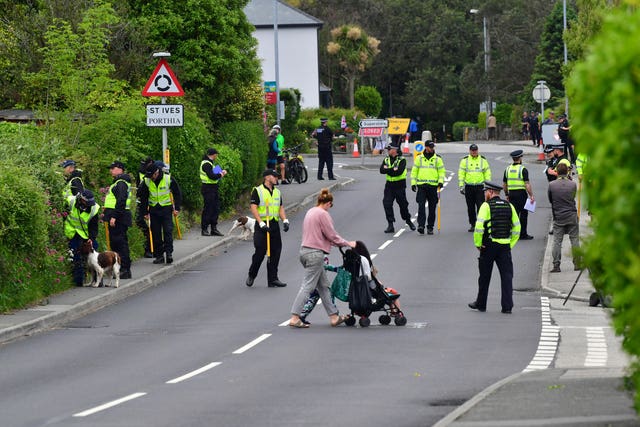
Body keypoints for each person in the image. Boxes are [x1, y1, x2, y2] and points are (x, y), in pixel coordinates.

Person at [288, 188, 356, 328]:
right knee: (308, 286)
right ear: (328, 203)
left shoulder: (310, 211)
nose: (330, 208)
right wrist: (347, 243)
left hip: (305, 251)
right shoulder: (323, 214)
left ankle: (334, 317)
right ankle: (295, 317)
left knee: (324, 287)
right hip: (315, 254)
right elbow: (331, 235)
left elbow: (319, 234)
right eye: (331, 206)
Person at [468, 181, 520, 314]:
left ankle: (481, 304)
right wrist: (510, 243)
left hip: (489, 245)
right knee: (507, 277)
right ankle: (507, 306)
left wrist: (478, 245)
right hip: (505, 246)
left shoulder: (486, 206)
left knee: (484, 276)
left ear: (490, 192)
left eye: (486, 192)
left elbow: (479, 228)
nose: (485, 194)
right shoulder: (509, 206)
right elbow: (517, 227)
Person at [245, 169, 290, 288]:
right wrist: (260, 223)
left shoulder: (277, 192)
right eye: (274, 176)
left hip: (274, 225)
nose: (276, 178)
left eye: (277, 176)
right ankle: (252, 274)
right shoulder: (258, 191)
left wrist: (285, 220)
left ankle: (273, 279)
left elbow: (280, 207)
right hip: (262, 226)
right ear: (267, 177)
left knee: (275, 252)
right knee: (260, 252)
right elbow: (253, 208)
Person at [138, 163, 182, 265]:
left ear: (156, 173)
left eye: (151, 176)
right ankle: (159, 256)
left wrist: (177, 208)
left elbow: (177, 193)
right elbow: (143, 197)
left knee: (168, 232)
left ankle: (169, 253)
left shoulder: (168, 178)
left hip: (166, 209)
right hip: (154, 210)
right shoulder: (147, 181)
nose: (150, 178)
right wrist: (144, 212)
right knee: (156, 234)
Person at [548, 162, 580, 273]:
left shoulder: (552, 185)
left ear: (557, 172)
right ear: (567, 172)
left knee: (557, 241)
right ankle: (577, 264)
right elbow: (573, 197)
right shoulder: (573, 184)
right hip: (571, 215)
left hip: (559, 216)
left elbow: (550, 200)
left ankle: (556, 265)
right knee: (575, 239)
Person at [103, 161, 132, 279]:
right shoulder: (119, 182)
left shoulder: (121, 183)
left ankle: (124, 269)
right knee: (118, 243)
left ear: (120, 169)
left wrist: (114, 216)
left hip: (119, 217)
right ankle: (121, 268)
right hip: (120, 216)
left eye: (112, 168)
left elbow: (121, 201)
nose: (110, 170)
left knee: (119, 244)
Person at [64, 189, 100, 286]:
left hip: (86, 235)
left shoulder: (94, 208)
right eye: (86, 202)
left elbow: (94, 226)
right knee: (76, 256)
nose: (88, 205)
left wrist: (91, 238)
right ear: (81, 199)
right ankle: (79, 281)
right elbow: (63, 211)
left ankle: (98, 280)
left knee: (94, 254)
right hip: (72, 232)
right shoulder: (71, 201)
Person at [410, 140, 444, 235]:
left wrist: (441, 182)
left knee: (432, 208)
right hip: (422, 186)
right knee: (421, 206)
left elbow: (441, 172)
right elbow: (414, 172)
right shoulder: (419, 158)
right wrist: (413, 183)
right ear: (426, 147)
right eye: (430, 147)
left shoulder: (438, 159)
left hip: (433, 187)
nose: (432, 148)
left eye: (433, 147)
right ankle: (421, 225)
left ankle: (430, 227)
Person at [380, 143, 415, 233]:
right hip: (389, 186)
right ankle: (390, 224)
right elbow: (381, 170)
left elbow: (398, 172)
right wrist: (392, 170)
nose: (388, 151)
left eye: (389, 149)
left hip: (399, 186)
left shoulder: (402, 160)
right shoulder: (386, 159)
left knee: (403, 205)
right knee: (387, 204)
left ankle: (408, 220)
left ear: (394, 150)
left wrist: (388, 170)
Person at [458, 144, 492, 232]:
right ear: (470, 151)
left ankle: (480, 224)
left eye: (475, 150)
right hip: (469, 187)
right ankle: (473, 224)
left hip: (480, 187)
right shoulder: (465, 160)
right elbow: (461, 174)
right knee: (470, 207)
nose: (474, 152)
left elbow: (487, 173)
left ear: (478, 150)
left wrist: (488, 185)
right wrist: (461, 186)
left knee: (481, 206)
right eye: (472, 150)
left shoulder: (482, 160)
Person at [503, 150, 535, 240]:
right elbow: (527, 184)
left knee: (514, 214)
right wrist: (531, 195)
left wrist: (506, 194)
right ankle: (523, 234)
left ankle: (513, 233)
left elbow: (504, 184)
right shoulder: (523, 169)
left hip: (512, 194)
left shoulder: (507, 169)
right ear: (520, 158)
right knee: (524, 214)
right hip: (521, 195)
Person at [200, 148, 227, 236]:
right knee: (208, 209)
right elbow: (212, 176)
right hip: (208, 188)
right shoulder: (206, 164)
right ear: (213, 154)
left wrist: (220, 172)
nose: (216, 156)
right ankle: (204, 229)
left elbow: (214, 174)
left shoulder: (210, 163)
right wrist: (221, 174)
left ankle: (213, 228)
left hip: (213, 188)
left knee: (215, 208)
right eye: (216, 154)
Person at [135, 157, 155, 258]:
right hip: (142, 202)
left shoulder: (155, 171)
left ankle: (152, 249)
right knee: (140, 222)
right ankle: (149, 247)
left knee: (153, 226)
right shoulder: (140, 171)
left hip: (152, 201)